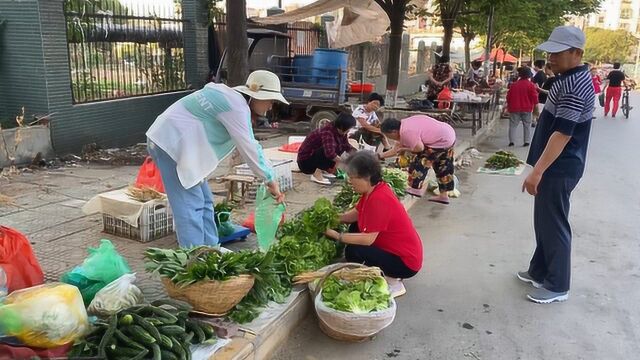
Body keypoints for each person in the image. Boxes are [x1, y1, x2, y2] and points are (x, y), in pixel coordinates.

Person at [146, 70, 287, 248]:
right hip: (169, 144)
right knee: (190, 207)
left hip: (181, 146)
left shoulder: (230, 97)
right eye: (270, 101)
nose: (270, 107)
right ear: (257, 96)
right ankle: (195, 260)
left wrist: (269, 177)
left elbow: (250, 144)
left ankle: (211, 250)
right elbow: (250, 148)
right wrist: (270, 180)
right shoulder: (237, 107)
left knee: (204, 202)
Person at [520, 26, 595, 304]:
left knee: (554, 223)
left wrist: (537, 171)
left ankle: (557, 285)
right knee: (544, 221)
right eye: (549, 51)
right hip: (553, 164)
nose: (550, 57)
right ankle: (539, 270)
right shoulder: (565, 77)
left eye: (558, 52)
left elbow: (562, 134)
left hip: (560, 166)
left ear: (577, 53)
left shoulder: (575, 84)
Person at [324, 151, 423, 297]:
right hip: (399, 252)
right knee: (354, 228)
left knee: (354, 251)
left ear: (367, 177)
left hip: (405, 263)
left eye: (352, 177)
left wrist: (337, 235)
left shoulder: (379, 199)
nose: (349, 181)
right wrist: (332, 218)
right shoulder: (374, 190)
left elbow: (367, 239)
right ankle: (386, 271)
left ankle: (392, 281)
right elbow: (355, 215)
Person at [379, 116, 456, 204]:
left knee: (420, 161)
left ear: (393, 131)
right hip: (448, 135)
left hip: (440, 140)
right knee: (443, 166)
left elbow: (419, 148)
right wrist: (380, 156)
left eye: (389, 136)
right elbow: (396, 149)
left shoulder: (406, 132)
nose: (390, 138)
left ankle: (415, 188)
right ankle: (444, 195)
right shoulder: (405, 124)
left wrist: (405, 149)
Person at [297, 113, 357, 185]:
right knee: (327, 149)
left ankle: (324, 170)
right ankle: (317, 175)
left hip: (314, 160)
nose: (349, 131)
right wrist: (346, 162)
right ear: (342, 126)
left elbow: (346, 146)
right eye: (348, 128)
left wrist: (357, 154)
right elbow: (330, 154)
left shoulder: (341, 132)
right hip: (305, 163)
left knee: (339, 147)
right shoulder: (327, 132)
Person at [506, 66, 538, 147]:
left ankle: (511, 141)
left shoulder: (513, 85)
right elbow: (535, 97)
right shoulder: (531, 85)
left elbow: (508, 97)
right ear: (529, 76)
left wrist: (508, 106)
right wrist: (536, 109)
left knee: (513, 125)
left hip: (514, 108)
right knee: (527, 125)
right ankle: (526, 141)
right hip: (527, 108)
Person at [531, 60, 547, 126]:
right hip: (542, 95)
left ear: (537, 66)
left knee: (536, 109)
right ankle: (535, 120)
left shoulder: (537, 75)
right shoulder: (544, 75)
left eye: (535, 66)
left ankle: (535, 120)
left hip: (537, 94)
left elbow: (534, 85)